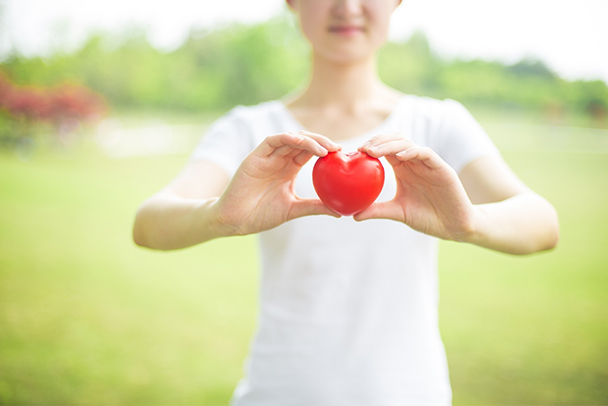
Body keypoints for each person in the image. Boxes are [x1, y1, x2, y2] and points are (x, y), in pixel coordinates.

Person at [133, 0, 559, 404]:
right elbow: (148, 224)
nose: (347, 5)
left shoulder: (437, 123)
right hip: (277, 395)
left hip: (411, 396)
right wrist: (218, 217)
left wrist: (469, 223)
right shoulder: (251, 130)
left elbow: (542, 223)